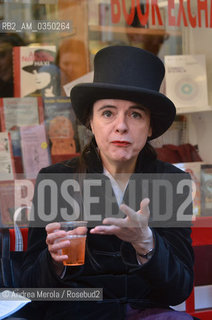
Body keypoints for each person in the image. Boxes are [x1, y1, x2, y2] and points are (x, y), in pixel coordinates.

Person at [19, 46, 194, 320]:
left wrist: (146, 242)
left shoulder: (172, 183)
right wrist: (53, 262)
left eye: (135, 114)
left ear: (149, 128)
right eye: (108, 113)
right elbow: (29, 293)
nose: (121, 126)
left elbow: (178, 291)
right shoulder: (56, 180)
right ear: (90, 121)